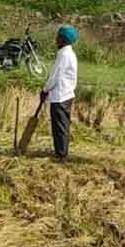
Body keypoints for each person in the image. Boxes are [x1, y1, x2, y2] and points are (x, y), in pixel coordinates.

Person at [40, 26, 79, 163]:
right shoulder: (69, 53)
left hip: (61, 95)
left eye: (58, 36)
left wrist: (45, 89)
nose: (56, 39)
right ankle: (60, 152)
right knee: (61, 125)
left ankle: (61, 155)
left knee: (60, 126)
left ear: (63, 39)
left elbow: (55, 76)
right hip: (66, 94)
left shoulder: (64, 54)